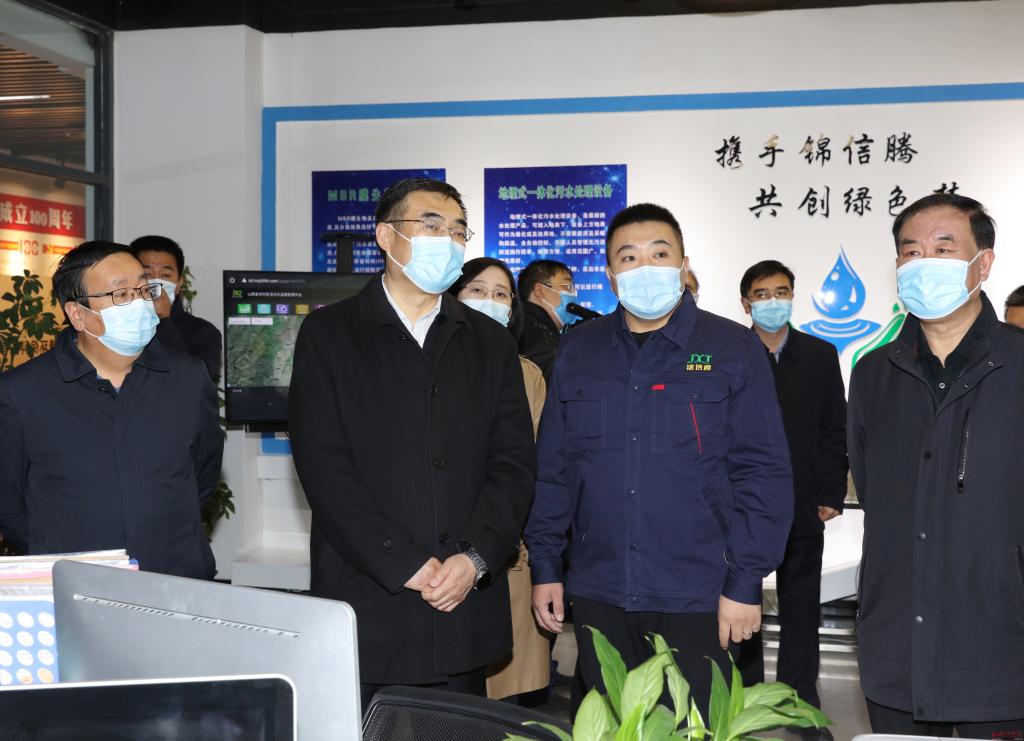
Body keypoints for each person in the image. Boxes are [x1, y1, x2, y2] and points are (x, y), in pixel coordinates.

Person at [525, 203, 793, 716]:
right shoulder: (580, 349)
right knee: (610, 724)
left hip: (699, 592)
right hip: (600, 588)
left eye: (660, 254)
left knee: (695, 726)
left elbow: (763, 472)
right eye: (628, 257)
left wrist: (745, 582)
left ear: (683, 265)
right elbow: (555, 468)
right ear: (610, 274)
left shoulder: (732, 347)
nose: (644, 267)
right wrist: (545, 564)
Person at [287, 178, 536, 709]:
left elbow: (514, 463)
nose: (447, 240)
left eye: (458, 231)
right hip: (370, 597)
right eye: (431, 225)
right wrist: (403, 562)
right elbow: (324, 468)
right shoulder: (330, 336)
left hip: (463, 603)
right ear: (385, 236)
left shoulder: (490, 342)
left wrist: (475, 557)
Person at [849, 192, 1024, 736]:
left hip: (1000, 649)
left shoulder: (1017, 364)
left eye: (944, 249)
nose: (924, 263)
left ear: (983, 263)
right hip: (896, 646)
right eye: (911, 252)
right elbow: (875, 493)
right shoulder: (872, 373)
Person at [0, 241, 221, 578]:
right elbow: (9, 502)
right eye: (121, 294)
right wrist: (60, 547)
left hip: (177, 578)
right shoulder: (23, 392)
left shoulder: (187, 378)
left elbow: (202, 476)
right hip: (79, 584)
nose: (139, 302)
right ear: (78, 314)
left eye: (143, 290)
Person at [736, 260, 847, 732]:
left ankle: (799, 705)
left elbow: (833, 427)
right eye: (762, 294)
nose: (773, 301)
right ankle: (743, 703)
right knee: (741, 605)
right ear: (746, 303)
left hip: (802, 501)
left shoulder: (819, 354)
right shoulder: (730, 351)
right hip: (741, 505)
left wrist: (831, 490)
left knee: (801, 608)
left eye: (781, 292)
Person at [448, 256, 550, 702]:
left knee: (507, 701)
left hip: (506, 552)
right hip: (438, 555)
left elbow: (533, 468)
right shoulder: (424, 364)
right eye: (477, 290)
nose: (489, 300)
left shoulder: (528, 374)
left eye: (501, 294)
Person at [130, 235, 223, 381]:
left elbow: (195, 381)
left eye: (165, 275)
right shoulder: (113, 324)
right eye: (146, 274)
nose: (156, 282)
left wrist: (162, 321)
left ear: (179, 283)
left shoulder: (203, 332)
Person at [516, 259, 576, 379]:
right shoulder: (531, 332)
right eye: (567, 286)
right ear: (540, 290)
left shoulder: (530, 325)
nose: (573, 294)